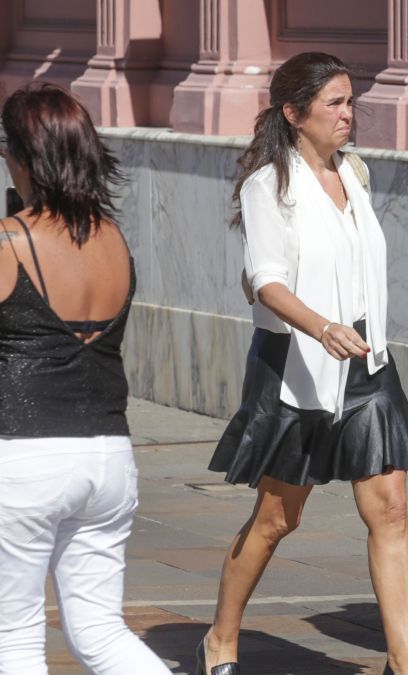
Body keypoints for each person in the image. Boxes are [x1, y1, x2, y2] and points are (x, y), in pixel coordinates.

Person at [200, 52, 408, 675]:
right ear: (294, 114)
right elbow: (265, 280)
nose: (348, 114)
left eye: (351, 101)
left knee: (392, 510)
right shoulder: (269, 184)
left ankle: (405, 666)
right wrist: (321, 326)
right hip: (297, 361)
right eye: (334, 103)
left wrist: (355, 333)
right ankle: (220, 638)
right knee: (278, 517)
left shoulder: (355, 172)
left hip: (365, 362)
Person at [0, 83, 171, 675]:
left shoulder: (9, 242)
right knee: (100, 631)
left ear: (26, 156)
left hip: (23, 455)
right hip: (107, 457)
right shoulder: (114, 239)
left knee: (13, 639)